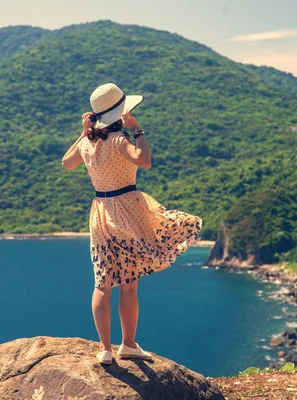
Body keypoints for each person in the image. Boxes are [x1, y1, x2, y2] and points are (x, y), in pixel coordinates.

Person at [62, 83, 203, 365]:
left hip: (100, 213)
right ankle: (127, 344)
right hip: (127, 210)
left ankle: (104, 349)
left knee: (102, 282)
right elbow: (145, 161)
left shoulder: (88, 144)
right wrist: (137, 130)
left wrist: (83, 133)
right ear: (121, 113)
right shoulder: (120, 140)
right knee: (129, 283)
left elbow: (67, 163)